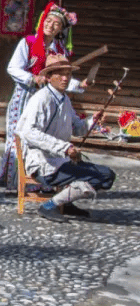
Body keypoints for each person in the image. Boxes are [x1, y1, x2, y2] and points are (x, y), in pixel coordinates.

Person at [17, 54, 114, 223]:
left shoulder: (64, 100)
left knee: (107, 175)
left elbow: (77, 128)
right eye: (60, 74)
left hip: (61, 161)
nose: (65, 78)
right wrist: (64, 148)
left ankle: (65, 202)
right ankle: (49, 206)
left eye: (68, 74)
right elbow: (28, 132)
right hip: (44, 164)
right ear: (49, 77)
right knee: (101, 176)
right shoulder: (41, 99)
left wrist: (92, 120)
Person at [0, 2, 83, 190]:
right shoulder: (28, 43)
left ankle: (40, 183)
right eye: (48, 20)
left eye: (56, 23)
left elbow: (62, 77)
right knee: (20, 138)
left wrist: (79, 85)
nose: (50, 25)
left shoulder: (60, 51)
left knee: (44, 138)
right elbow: (13, 68)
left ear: (61, 29)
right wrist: (32, 78)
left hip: (48, 100)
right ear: (42, 21)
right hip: (25, 97)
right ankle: (14, 184)